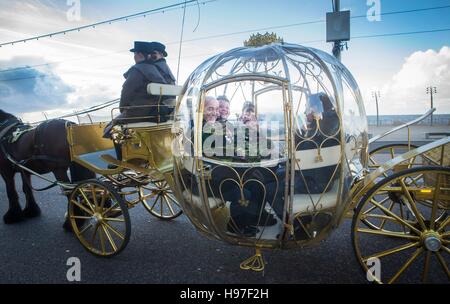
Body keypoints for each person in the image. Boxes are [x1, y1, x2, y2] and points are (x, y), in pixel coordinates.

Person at [103, 41, 175, 160]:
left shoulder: (138, 70)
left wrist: (123, 110)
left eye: (135, 53)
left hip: (141, 112)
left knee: (113, 127)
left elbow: (126, 92)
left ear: (139, 54)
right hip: (158, 111)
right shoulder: (157, 70)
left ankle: (122, 160)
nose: (134, 56)